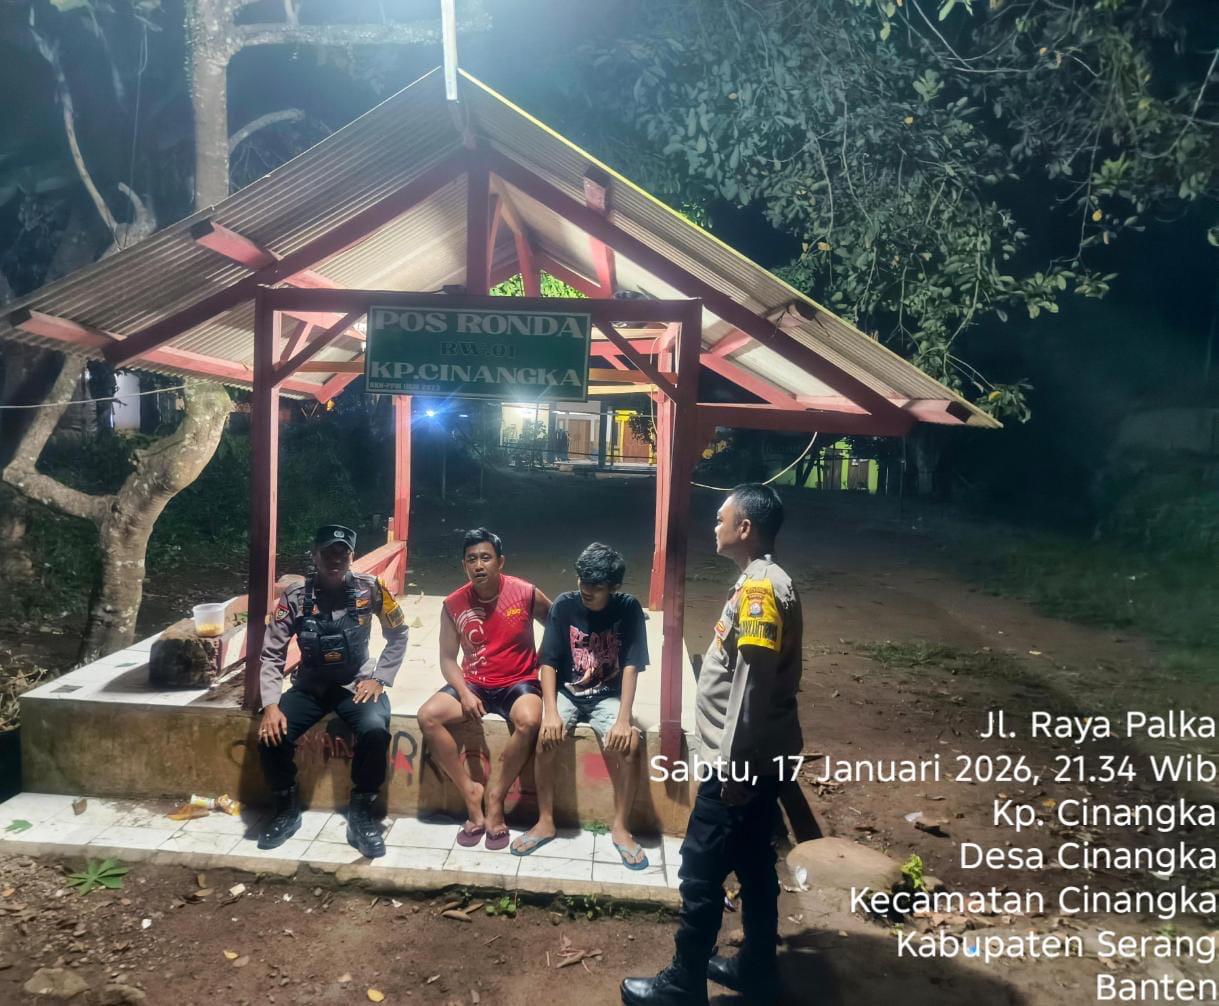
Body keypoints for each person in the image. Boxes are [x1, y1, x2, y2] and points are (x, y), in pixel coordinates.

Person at [621, 485, 803, 1006]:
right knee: (753, 862)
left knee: (700, 871)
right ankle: (757, 968)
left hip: (740, 766)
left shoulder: (760, 590)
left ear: (745, 528)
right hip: (756, 760)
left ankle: (684, 982)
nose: (715, 526)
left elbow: (752, 686)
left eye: (722, 518)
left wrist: (734, 770)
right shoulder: (760, 580)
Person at [257, 524, 408, 859]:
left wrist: (380, 678)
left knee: (375, 730)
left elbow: (399, 634)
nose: (336, 559)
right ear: (315, 556)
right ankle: (286, 807)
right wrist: (270, 704)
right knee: (271, 735)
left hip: (356, 684)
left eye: (343, 553)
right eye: (328, 552)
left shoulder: (372, 589)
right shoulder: (295, 597)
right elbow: (272, 653)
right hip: (310, 686)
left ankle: (362, 812)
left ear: (352, 557)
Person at [510, 543, 649, 867]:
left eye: (596, 586)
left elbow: (632, 665)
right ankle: (545, 821)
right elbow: (548, 663)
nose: (586, 589)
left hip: (608, 696)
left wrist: (624, 719)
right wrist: (551, 712)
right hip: (568, 693)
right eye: (582, 581)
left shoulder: (628, 608)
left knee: (630, 745)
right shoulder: (564, 606)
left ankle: (620, 828)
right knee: (545, 739)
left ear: (613, 587)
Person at [417, 528, 551, 849]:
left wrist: (543, 659)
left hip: (518, 681)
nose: (479, 565)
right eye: (471, 559)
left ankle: (495, 797)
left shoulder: (525, 593)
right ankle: (470, 792)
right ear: (464, 565)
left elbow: (557, 625)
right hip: (475, 683)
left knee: (530, 720)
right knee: (427, 716)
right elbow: (447, 658)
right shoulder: (453, 604)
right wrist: (464, 692)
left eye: (486, 558)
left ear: (500, 562)